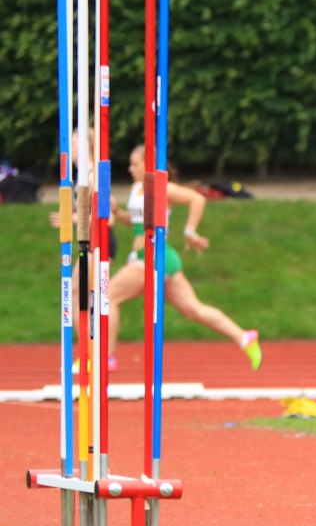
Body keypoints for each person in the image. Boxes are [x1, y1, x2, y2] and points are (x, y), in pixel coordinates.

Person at [107, 145, 263, 371]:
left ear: (148, 164)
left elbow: (197, 199)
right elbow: (135, 223)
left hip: (154, 257)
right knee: (193, 310)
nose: (130, 168)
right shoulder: (136, 188)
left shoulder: (163, 188)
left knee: (108, 297)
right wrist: (116, 212)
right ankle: (244, 338)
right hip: (149, 257)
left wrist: (189, 231)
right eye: (130, 164)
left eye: (135, 164)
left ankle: (107, 357)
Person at [48, 128, 120, 371]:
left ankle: (98, 355)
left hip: (99, 240)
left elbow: (106, 217)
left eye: (75, 141)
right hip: (89, 240)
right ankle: (91, 353)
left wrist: (72, 219)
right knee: (80, 292)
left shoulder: (92, 176)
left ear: (88, 145)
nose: (70, 145)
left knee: (88, 294)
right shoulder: (83, 176)